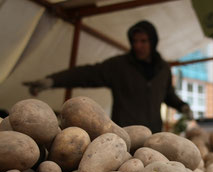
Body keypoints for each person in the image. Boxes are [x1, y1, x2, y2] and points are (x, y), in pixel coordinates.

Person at [24, 20, 192, 133]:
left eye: (143, 41)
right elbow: (87, 74)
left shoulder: (163, 69)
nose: (138, 45)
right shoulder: (119, 66)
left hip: (154, 134)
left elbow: (168, 94)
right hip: (123, 133)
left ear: (153, 42)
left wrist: (182, 106)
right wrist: (52, 81)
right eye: (135, 41)